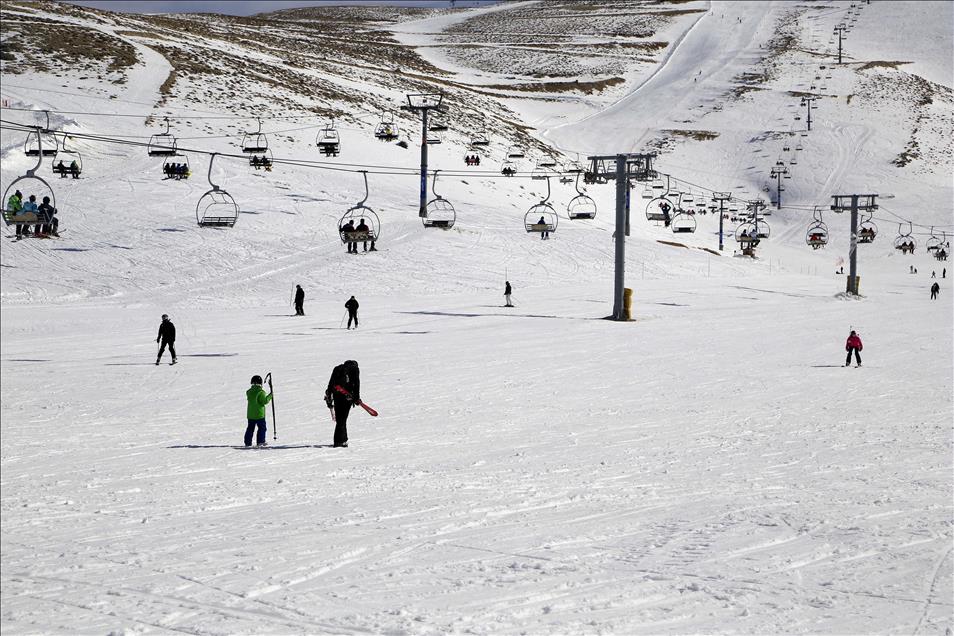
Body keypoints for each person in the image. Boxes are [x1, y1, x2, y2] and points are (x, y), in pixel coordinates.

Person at [324, 360, 360, 447]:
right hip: (347, 397)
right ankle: (340, 441)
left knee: (340, 419)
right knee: (342, 420)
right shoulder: (354, 369)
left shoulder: (337, 368)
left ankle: (342, 440)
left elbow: (331, 383)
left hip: (337, 395)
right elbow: (356, 383)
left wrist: (329, 395)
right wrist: (356, 398)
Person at [244, 375, 273, 447]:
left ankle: (247, 442)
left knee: (250, 428)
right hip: (259, 414)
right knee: (262, 428)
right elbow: (264, 401)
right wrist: (270, 395)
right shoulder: (261, 392)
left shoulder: (249, 392)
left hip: (250, 414)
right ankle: (260, 441)